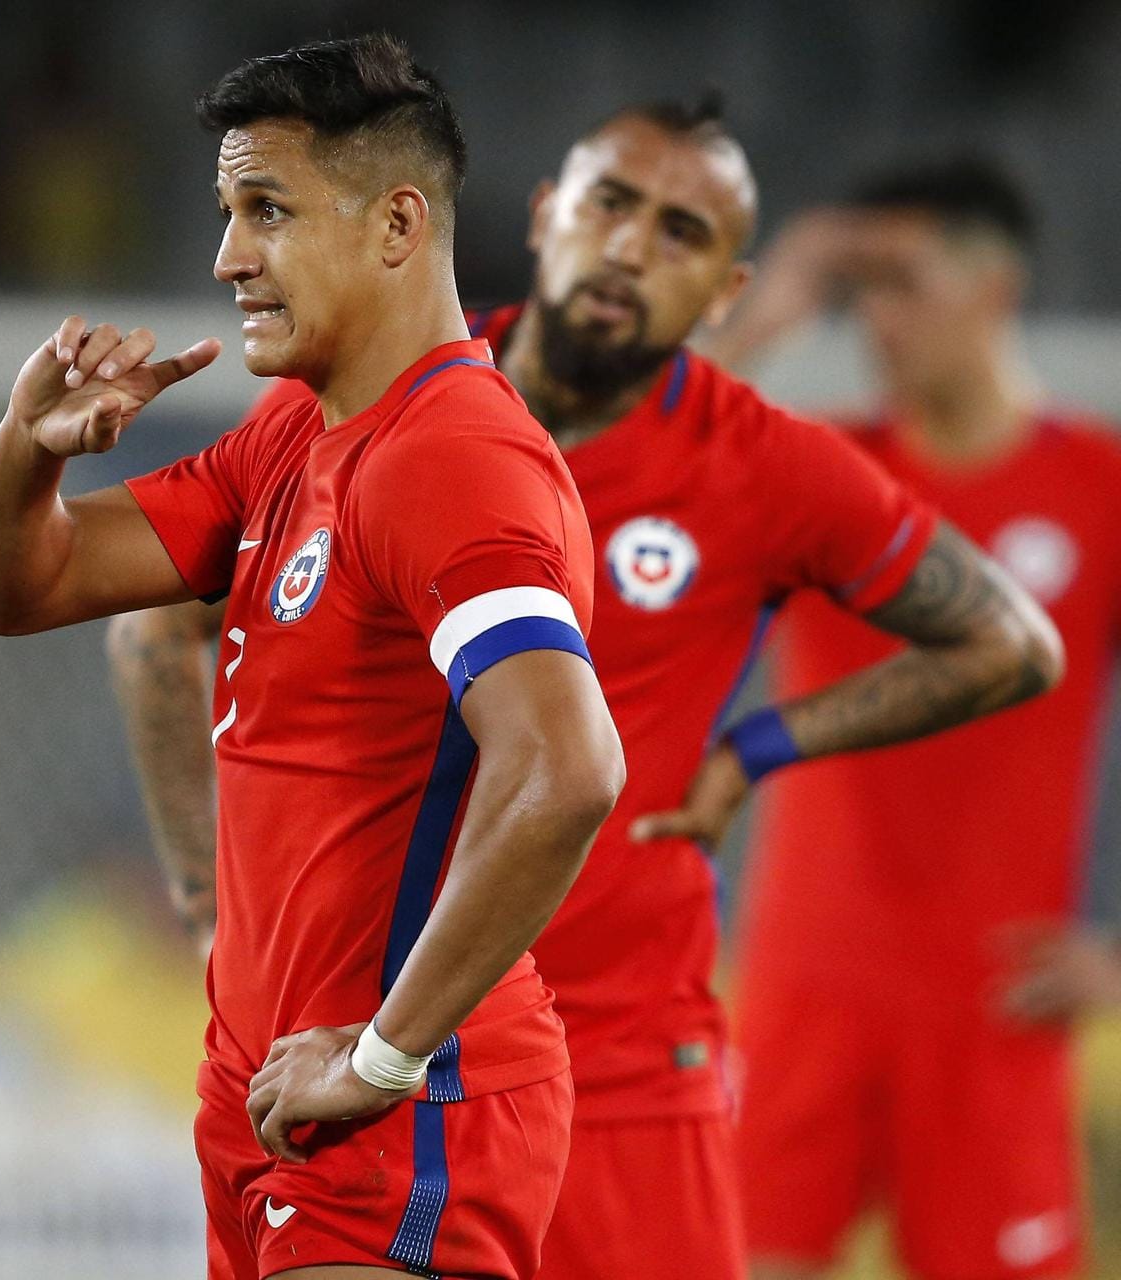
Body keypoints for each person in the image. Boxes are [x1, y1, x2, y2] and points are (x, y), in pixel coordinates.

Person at [107, 101, 1066, 1280]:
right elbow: (158, 622)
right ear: (550, 215)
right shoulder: (364, 399)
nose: (631, 249)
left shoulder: (762, 462)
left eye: (681, 233)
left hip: (621, 1075)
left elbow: (1013, 644)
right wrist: (210, 905)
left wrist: (756, 748)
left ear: (725, 293)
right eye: (612, 206)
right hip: (386, 1056)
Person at [0, 35, 628, 1280]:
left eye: (267, 210)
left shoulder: (454, 457)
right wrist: (28, 445)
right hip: (273, 1098)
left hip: (399, 1110)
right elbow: (8, 585)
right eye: (226, 212)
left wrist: (383, 1054)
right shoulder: (294, 438)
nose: (227, 259)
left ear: (396, 225)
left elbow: (568, 766)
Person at [709, 157, 1121, 1280]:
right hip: (805, 989)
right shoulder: (824, 471)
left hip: (994, 1008)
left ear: (996, 287)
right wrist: (771, 305)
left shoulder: (1099, 483)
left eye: (905, 279)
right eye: (863, 287)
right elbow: (605, 474)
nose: (879, 317)